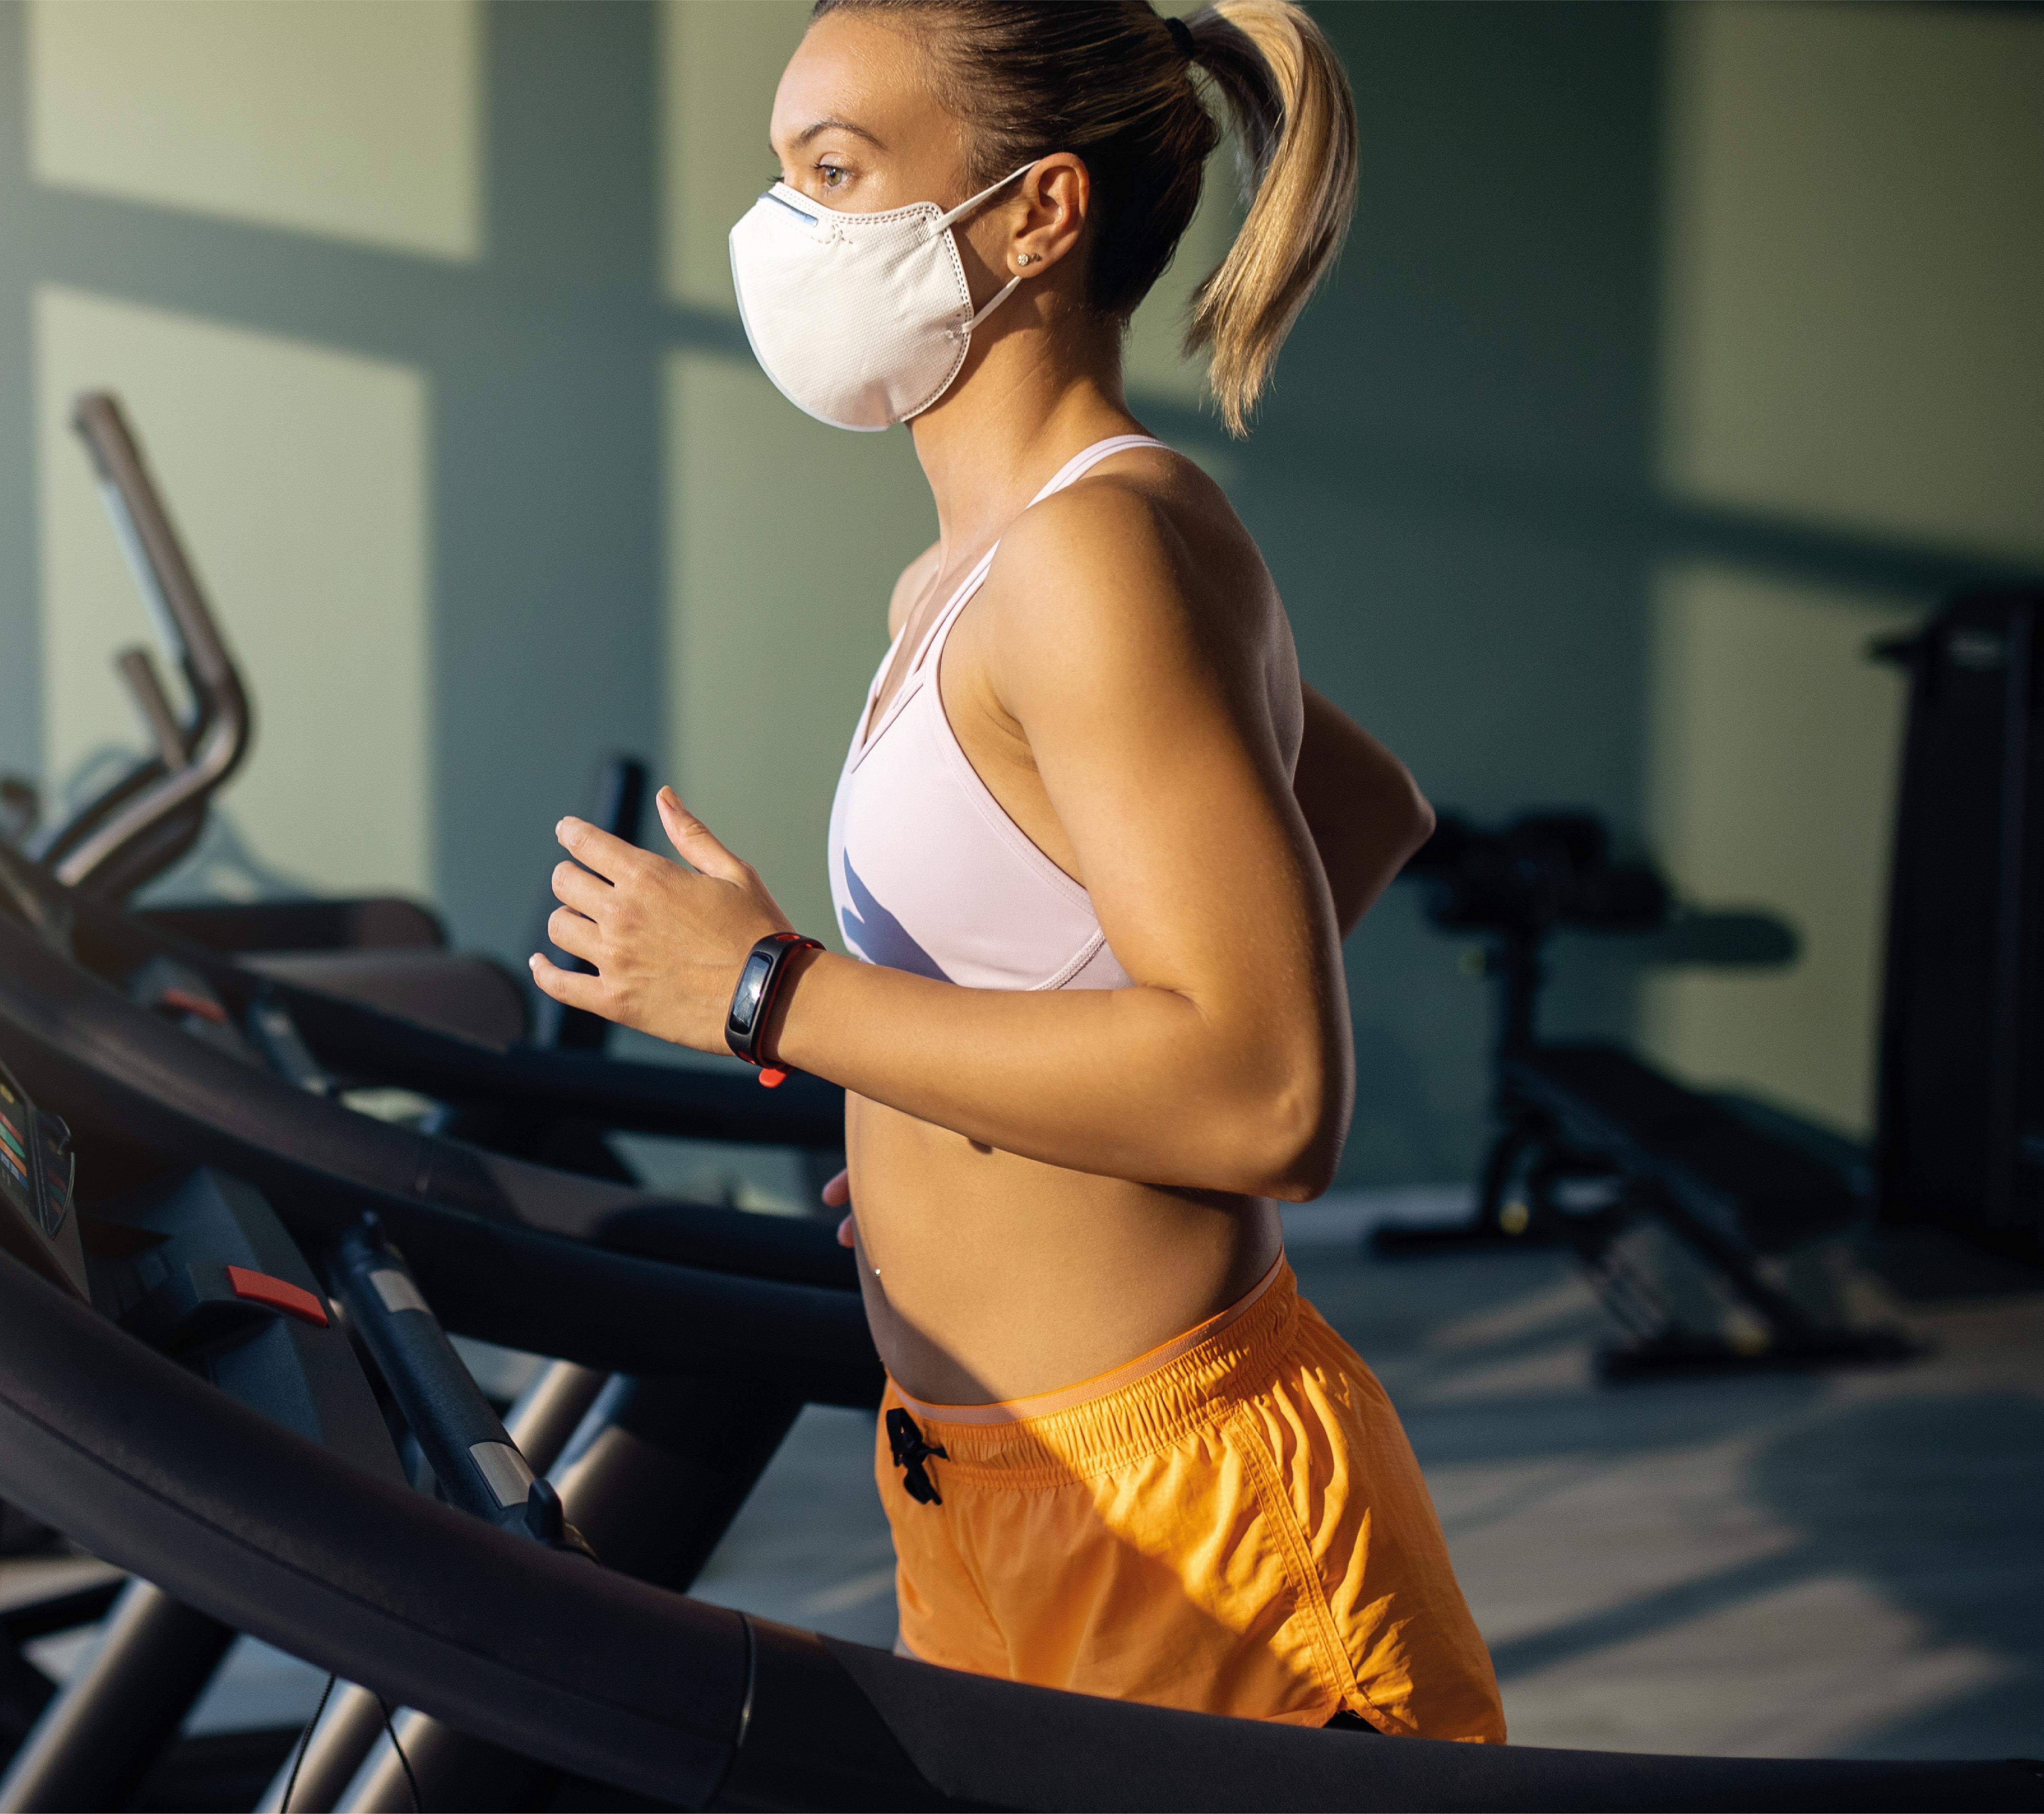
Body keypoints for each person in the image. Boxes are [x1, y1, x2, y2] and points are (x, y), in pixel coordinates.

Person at [530, 0, 1503, 1742]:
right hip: (988, 1480)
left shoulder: (1095, 553)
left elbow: (1274, 1093)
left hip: (1186, 1517)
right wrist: (988, 1137)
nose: (792, 234)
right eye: (786, 178)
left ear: (1037, 215)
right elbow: (1363, 804)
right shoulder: (981, 568)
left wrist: (767, 992)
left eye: (840, 174)